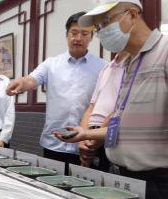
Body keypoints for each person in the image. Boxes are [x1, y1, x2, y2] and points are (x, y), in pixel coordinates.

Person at [57, 0, 168, 199]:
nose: (103, 31)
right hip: (124, 178)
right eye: (99, 27)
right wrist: (86, 133)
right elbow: (125, 126)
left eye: (106, 21)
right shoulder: (129, 63)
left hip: (159, 182)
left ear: (132, 14)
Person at [6, 12, 105, 169]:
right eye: (74, 33)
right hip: (54, 143)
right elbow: (32, 79)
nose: (78, 38)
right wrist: (21, 82)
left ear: (92, 37)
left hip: (86, 145)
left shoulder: (102, 67)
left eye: (84, 33)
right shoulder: (51, 64)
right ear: (67, 35)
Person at [76, 50, 127, 171]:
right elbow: (91, 107)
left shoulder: (134, 68)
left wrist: (93, 142)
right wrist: (84, 140)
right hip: (92, 137)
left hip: (111, 136)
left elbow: (120, 111)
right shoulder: (106, 68)